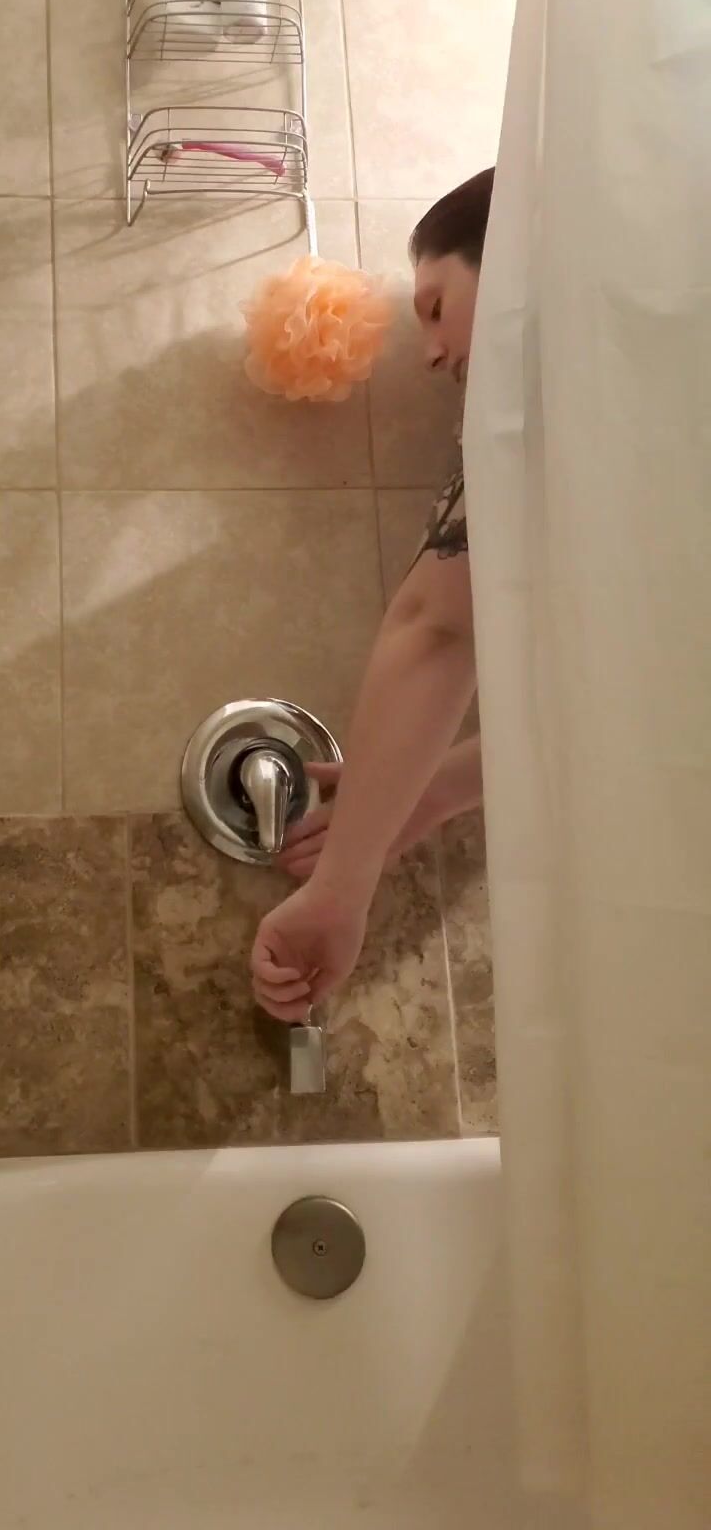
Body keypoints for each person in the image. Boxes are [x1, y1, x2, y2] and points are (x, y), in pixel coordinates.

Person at [250, 167, 493, 1024]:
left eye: (436, 306)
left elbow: (439, 628)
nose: (431, 354)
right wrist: (423, 792)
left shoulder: (538, 390)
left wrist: (339, 890)